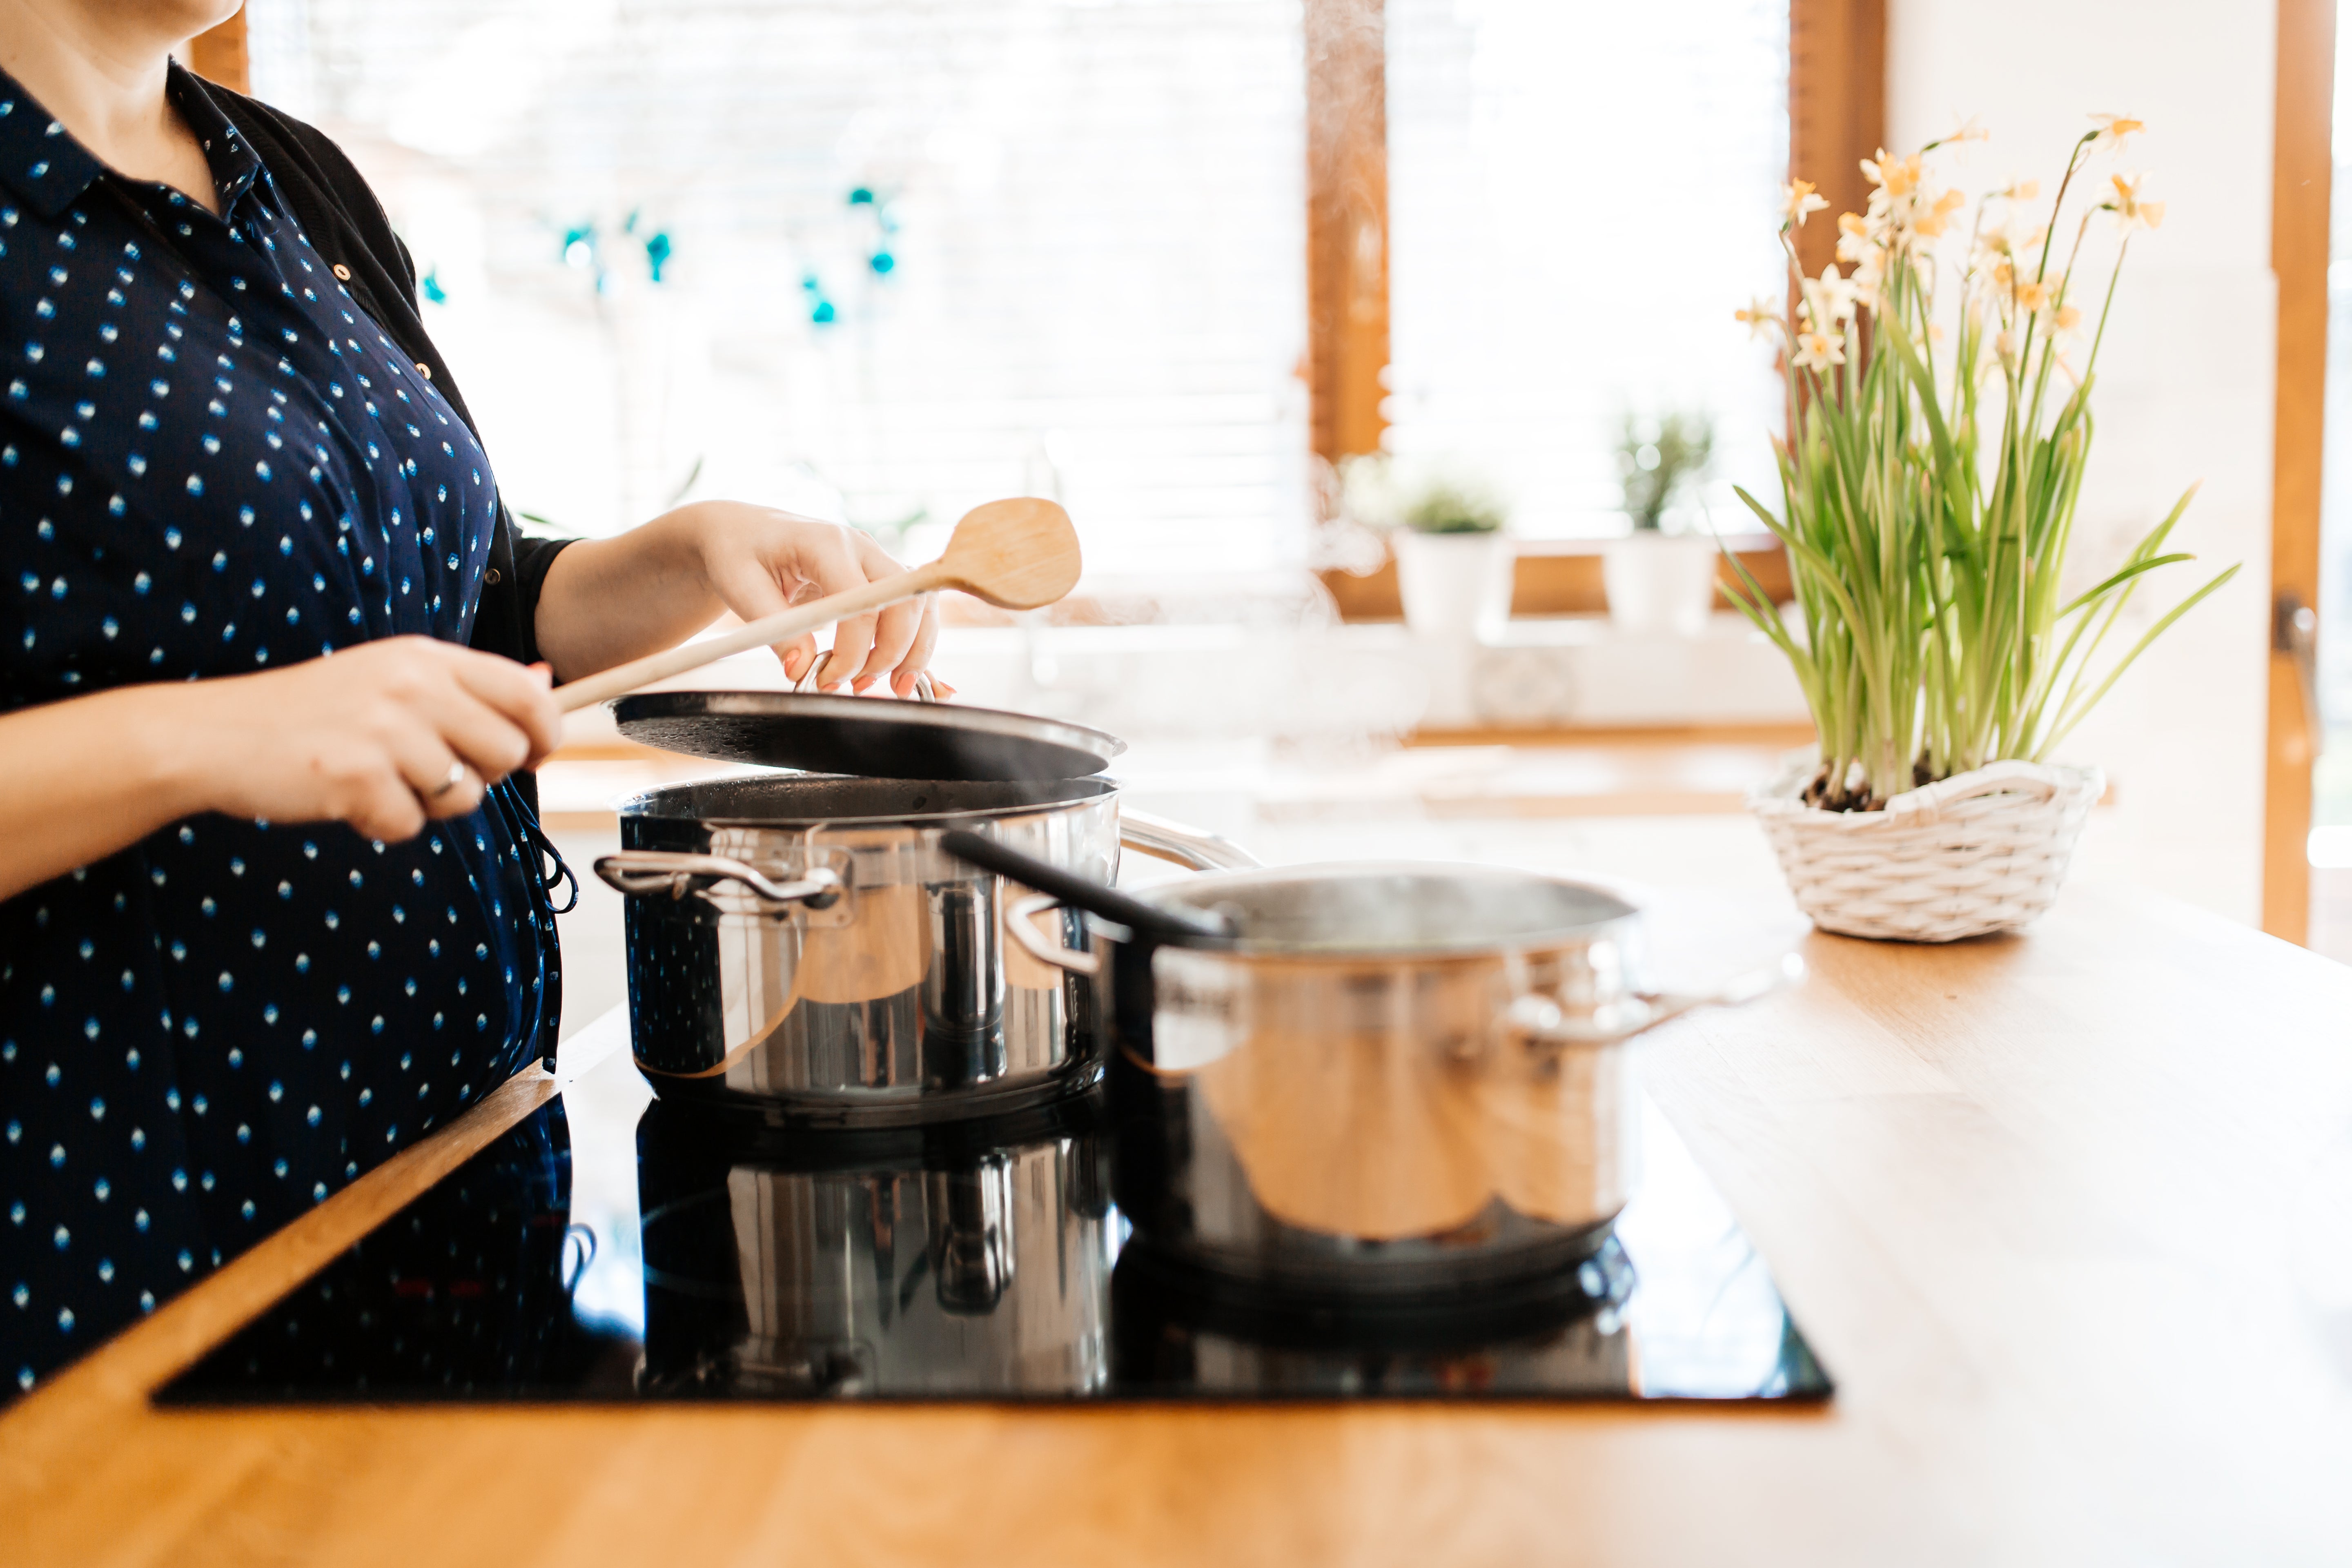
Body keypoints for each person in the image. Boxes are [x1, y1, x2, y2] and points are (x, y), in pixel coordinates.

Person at [0, 0, 940, 1396]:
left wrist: (673, 558)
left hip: (442, 1183)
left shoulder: (286, 172)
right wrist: (206, 737)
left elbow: (444, 609)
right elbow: (293, 692)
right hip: (129, 1264)